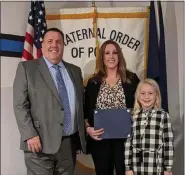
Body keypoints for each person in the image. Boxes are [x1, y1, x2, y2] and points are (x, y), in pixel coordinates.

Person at [13, 28, 86, 175]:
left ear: (63, 46)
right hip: (39, 143)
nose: (54, 45)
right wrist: (29, 134)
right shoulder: (27, 68)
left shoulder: (75, 71)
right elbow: (20, 105)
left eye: (58, 42)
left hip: (68, 144)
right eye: (50, 41)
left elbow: (79, 105)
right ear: (42, 45)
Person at [84, 39, 140, 175]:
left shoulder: (131, 79)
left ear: (119, 55)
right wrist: (88, 129)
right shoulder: (93, 82)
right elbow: (85, 112)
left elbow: (140, 107)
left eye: (115, 52)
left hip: (126, 142)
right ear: (102, 58)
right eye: (107, 53)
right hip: (101, 141)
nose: (111, 56)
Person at [125, 78, 174, 175]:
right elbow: (128, 143)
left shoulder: (163, 115)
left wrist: (168, 168)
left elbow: (168, 144)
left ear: (156, 95)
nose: (146, 97)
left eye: (150, 93)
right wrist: (128, 167)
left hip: (156, 166)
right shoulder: (132, 115)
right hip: (136, 167)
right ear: (138, 96)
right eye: (143, 93)